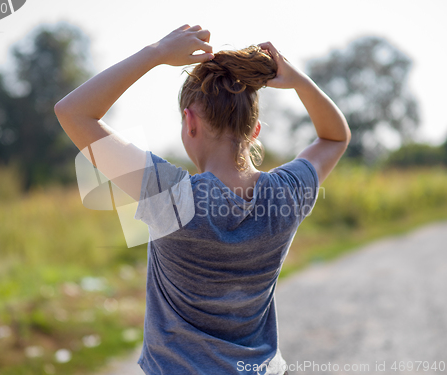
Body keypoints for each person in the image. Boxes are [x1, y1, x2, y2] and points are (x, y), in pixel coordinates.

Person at [55, 24, 350, 375]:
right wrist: (300, 81)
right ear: (254, 130)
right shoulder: (285, 194)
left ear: (189, 122)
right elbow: (335, 138)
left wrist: (157, 52)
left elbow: (72, 111)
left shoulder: (171, 196)